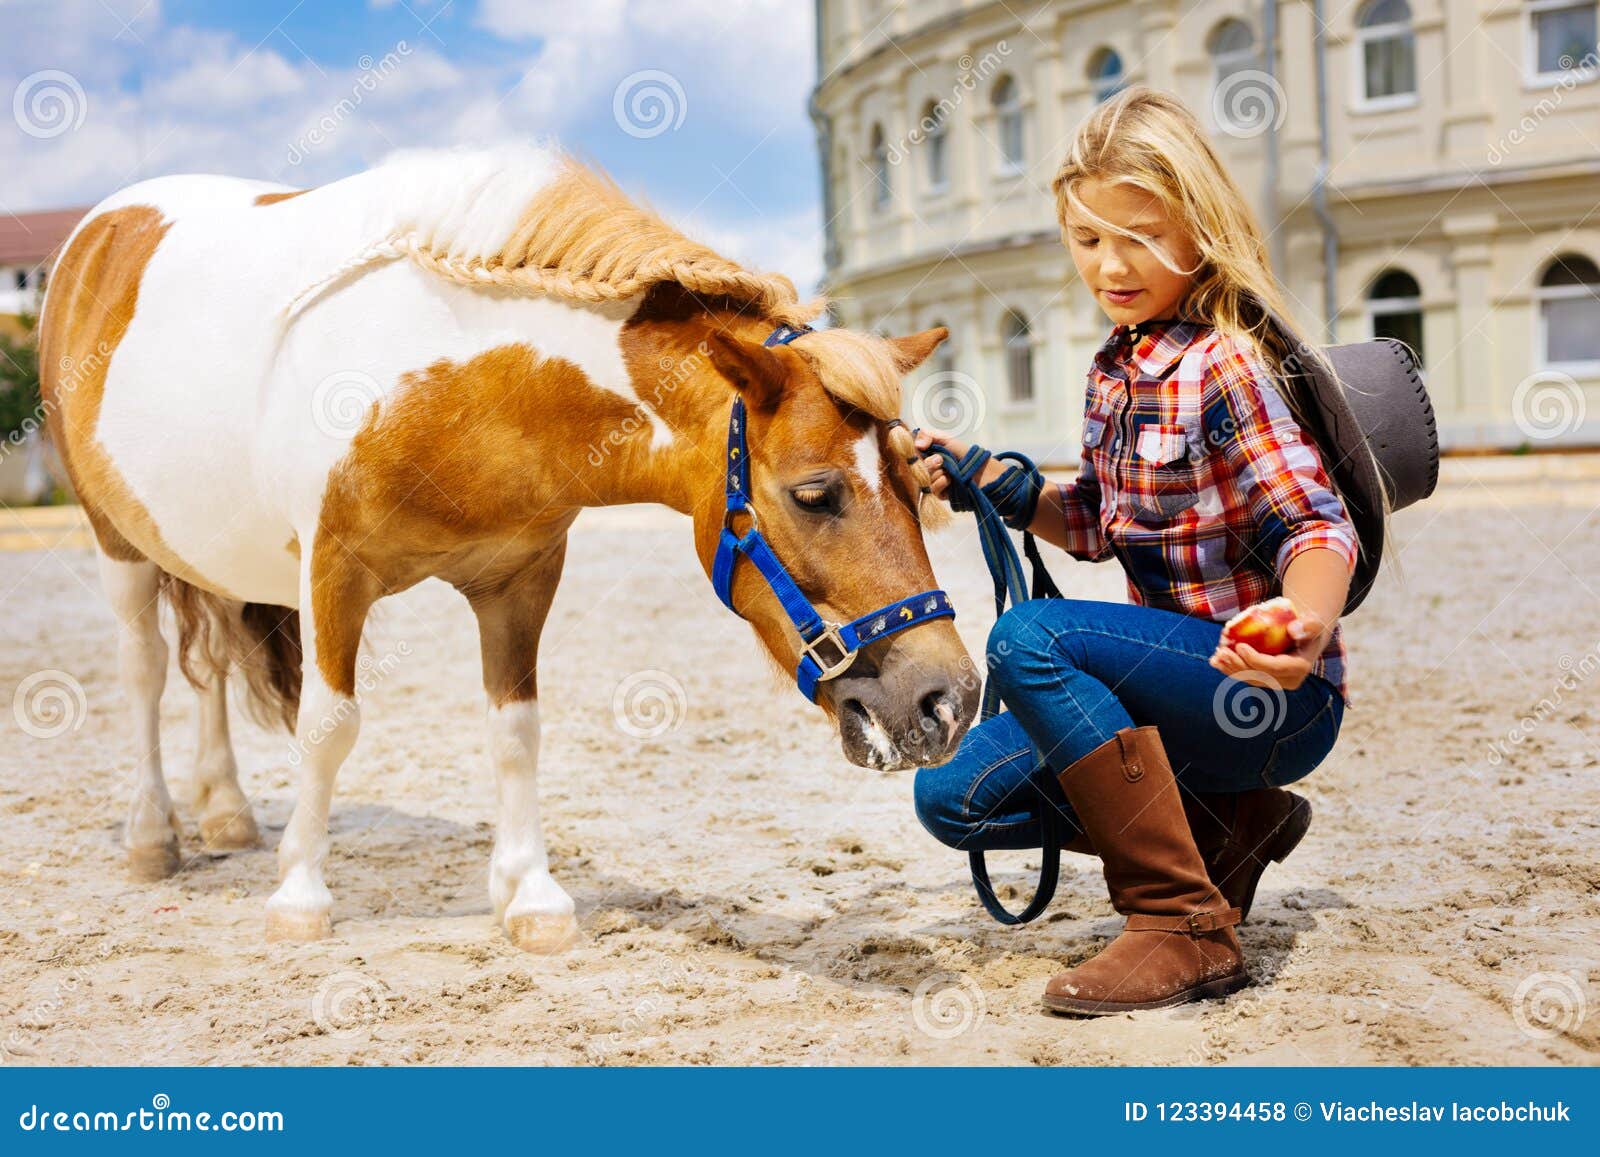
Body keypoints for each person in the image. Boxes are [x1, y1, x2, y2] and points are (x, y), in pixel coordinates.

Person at [913, 86, 1359, 1016]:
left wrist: (1303, 622)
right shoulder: (1117, 366)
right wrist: (1000, 483)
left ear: (1201, 227)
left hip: (1266, 694)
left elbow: (1316, 524)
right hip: (1168, 697)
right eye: (1087, 239)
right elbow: (1101, 522)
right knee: (954, 797)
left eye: (1141, 237)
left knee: (1029, 639)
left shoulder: (1226, 361)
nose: (1110, 264)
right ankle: (1232, 822)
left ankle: (1182, 922)